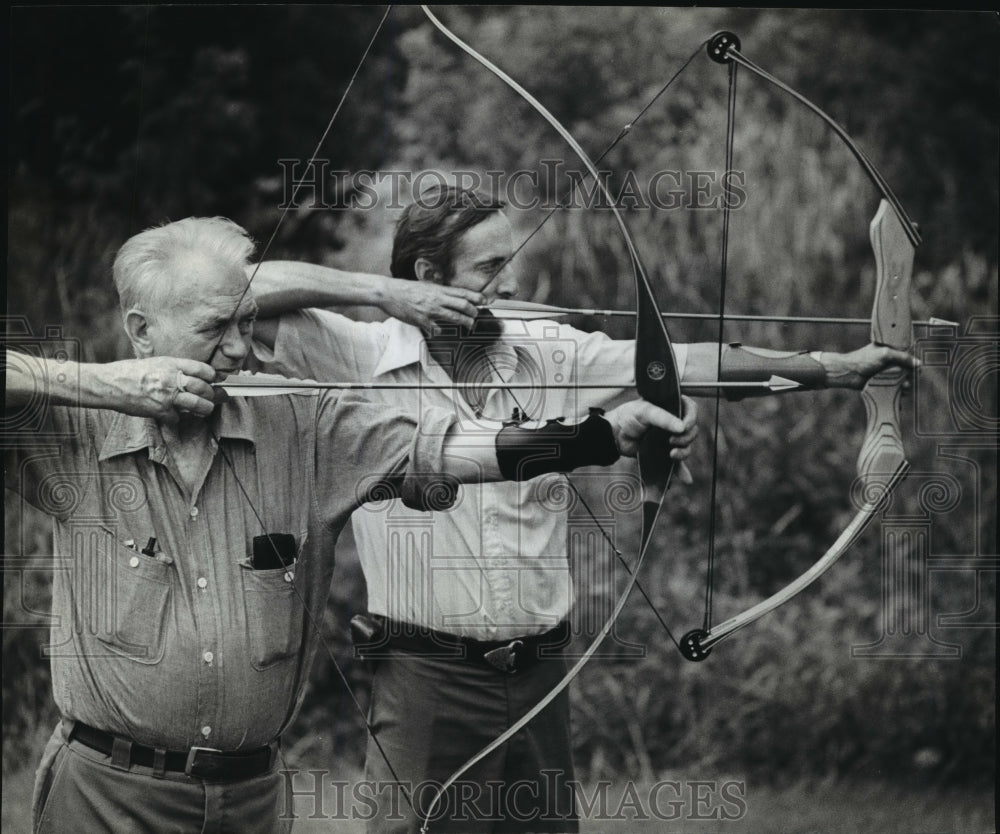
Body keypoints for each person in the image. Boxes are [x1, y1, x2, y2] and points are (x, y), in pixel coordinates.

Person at [247, 185, 919, 834]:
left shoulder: (548, 349)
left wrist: (841, 367)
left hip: (538, 674)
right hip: (426, 677)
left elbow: (687, 363)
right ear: (429, 276)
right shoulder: (353, 353)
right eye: (491, 269)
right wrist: (382, 294)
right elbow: (235, 293)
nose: (511, 284)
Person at [3, 216, 695, 834]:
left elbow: (454, 449)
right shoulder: (72, 431)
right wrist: (105, 385)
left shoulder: (307, 424)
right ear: (141, 331)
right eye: (216, 329)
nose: (242, 350)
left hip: (249, 799)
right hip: (102, 797)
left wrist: (600, 438)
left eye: (247, 323)